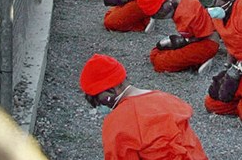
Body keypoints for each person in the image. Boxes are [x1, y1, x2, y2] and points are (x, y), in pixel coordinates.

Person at [79, 53, 208, 160]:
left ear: (112, 89)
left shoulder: (117, 122)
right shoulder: (166, 98)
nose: (97, 106)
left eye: (97, 99)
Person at [136, 0, 220, 73]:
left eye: (158, 13)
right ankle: (193, 60)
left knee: (160, 63)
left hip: (207, 42)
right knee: (155, 52)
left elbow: (201, 36)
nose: (160, 16)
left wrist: (182, 42)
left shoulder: (187, 15)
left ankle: (203, 59)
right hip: (195, 37)